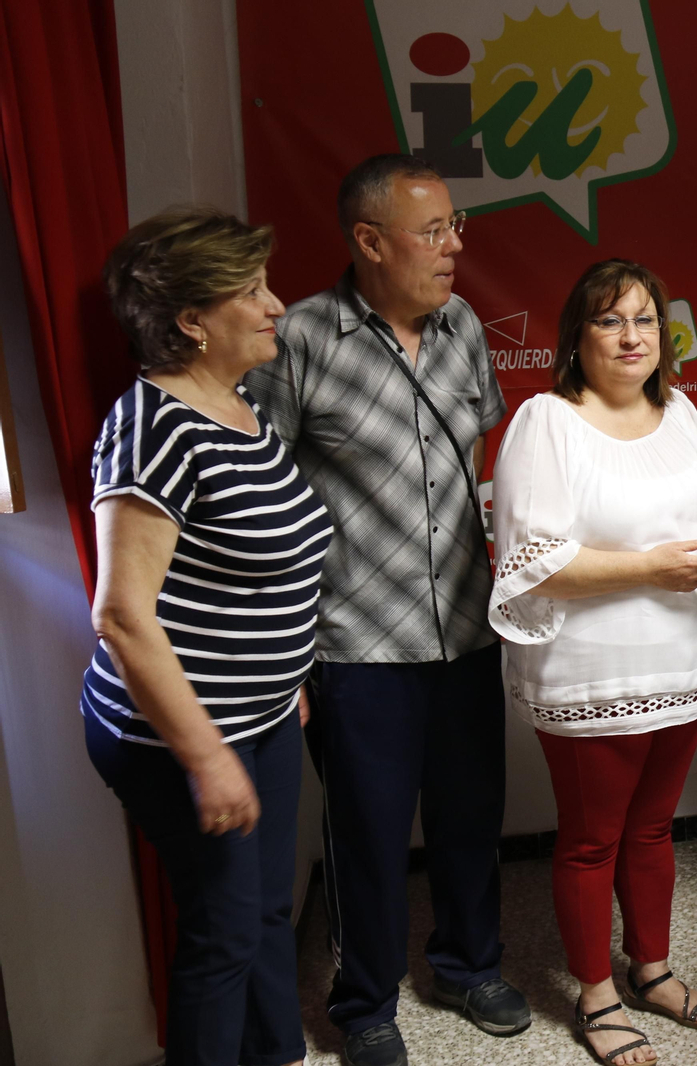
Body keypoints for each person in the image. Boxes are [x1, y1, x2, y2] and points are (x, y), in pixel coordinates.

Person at [245, 155, 526, 1066]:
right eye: (433, 230)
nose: (454, 245)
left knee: (471, 814)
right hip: (355, 641)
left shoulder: (464, 330)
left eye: (455, 226)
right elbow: (264, 491)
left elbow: (480, 458)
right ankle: (364, 1002)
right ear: (370, 241)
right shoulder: (299, 341)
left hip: (467, 628)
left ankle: (468, 965)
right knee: (365, 833)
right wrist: (285, 650)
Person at [84, 206, 330, 1066]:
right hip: (177, 736)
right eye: (252, 291)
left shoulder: (237, 403)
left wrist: (284, 672)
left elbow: (247, 567)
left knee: (266, 914)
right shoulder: (152, 429)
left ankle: (277, 1058)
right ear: (191, 321)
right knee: (225, 937)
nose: (278, 306)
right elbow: (120, 614)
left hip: (259, 713)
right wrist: (207, 757)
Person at [490, 259, 697, 1066]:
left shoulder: (684, 417)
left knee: (656, 827)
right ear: (576, 337)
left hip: (684, 659)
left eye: (644, 320)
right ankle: (597, 994)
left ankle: (652, 970)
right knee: (594, 838)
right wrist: (651, 568)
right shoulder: (547, 422)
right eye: (609, 320)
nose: (632, 337)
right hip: (592, 670)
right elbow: (532, 559)